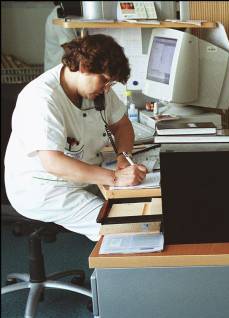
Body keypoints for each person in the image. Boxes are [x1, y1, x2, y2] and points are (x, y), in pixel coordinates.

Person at [4, 34, 147, 241]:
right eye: (105, 80)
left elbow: (122, 125)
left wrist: (123, 157)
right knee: (122, 228)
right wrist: (115, 177)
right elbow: (53, 163)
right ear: (83, 67)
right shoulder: (42, 98)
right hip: (44, 187)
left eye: (111, 84)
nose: (106, 88)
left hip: (83, 176)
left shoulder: (95, 90)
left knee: (141, 208)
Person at [44, 2, 77, 72]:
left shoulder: (69, 13)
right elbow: (70, 49)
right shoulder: (58, 14)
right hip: (58, 72)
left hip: (64, 69)